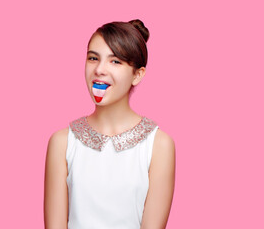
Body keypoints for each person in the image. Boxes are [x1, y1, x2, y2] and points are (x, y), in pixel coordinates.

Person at [44, 19, 175, 229]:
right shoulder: (62, 142)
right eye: (93, 58)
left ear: (137, 74)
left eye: (115, 61)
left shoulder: (158, 145)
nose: (99, 70)